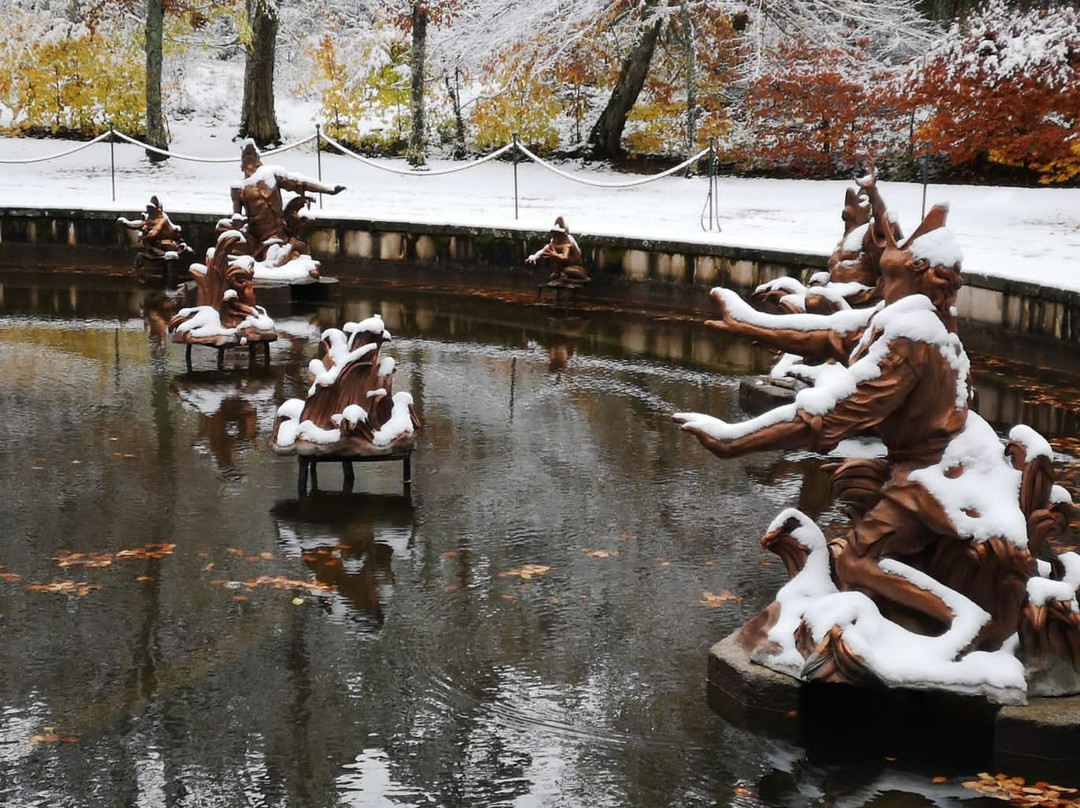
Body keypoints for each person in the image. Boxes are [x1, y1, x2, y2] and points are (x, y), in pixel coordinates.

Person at [675, 205, 1039, 655]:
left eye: (888, 275)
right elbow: (829, 334)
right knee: (859, 555)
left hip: (932, 473)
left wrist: (737, 441)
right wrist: (750, 322)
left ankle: (962, 616)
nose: (879, 284)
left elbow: (835, 414)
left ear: (917, 276)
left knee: (856, 560)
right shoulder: (920, 321)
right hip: (951, 459)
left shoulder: (911, 339)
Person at [230, 141, 346, 260]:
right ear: (242, 163)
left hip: (278, 233)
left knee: (275, 255)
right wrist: (238, 226)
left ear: (258, 160)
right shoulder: (238, 188)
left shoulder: (271, 174)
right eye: (246, 157)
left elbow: (299, 182)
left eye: (253, 156)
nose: (249, 161)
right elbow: (236, 216)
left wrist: (328, 189)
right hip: (257, 237)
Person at [526, 216, 590, 286]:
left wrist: (556, 255)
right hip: (562, 266)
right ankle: (561, 275)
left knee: (565, 270)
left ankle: (575, 279)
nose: (556, 236)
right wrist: (534, 257)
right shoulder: (554, 241)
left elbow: (566, 257)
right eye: (554, 233)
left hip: (574, 267)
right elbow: (546, 249)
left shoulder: (568, 242)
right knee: (555, 273)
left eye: (558, 234)